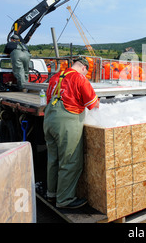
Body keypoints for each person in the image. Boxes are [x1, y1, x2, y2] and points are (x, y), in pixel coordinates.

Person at [43, 57, 100, 209]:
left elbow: (49, 99)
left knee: (53, 159)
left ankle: (52, 194)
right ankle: (64, 199)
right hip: (67, 121)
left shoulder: (55, 77)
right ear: (83, 68)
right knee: (70, 160)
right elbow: (93, 105)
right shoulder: (79, 78)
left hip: (49, 120)